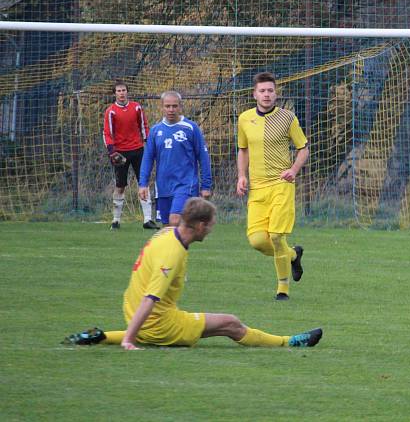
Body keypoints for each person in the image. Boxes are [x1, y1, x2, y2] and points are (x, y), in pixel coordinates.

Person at [63, 197, 323, 350]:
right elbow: (150, 299)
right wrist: (129, 340)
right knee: (231, 323)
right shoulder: (172, 253)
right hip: (159, 324)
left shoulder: (166, 233)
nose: (211, 230)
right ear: (200, 226)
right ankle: (290, 342)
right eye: (210, 225)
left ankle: (100, 336)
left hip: (131, 311)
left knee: (202, 324)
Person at [236, 72, 308, 300]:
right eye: (262, 91)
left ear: (276, 93)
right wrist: (241, 176)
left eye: (270, 90)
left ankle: (282, 289)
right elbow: (243, 149)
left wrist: (293, 170)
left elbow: (303, 148)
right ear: (254, 94)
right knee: (257, 241)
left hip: (281, 184)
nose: (266, 95)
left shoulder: (288, 118)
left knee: (276, 236)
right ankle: (293, 256)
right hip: (257, 189)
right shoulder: (245, 119)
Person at [138, 91, 213, 227]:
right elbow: (148, 158)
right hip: (163, 186)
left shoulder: (191, 128)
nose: (171, 110)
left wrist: (206, 185)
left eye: (174, 106)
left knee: (175, 220)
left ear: (180, 107)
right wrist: (143, 183)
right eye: (167, 106)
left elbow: (203, 157)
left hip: (185, 184)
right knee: (168, 227)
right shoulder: (155, 131)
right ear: (162, 107)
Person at [103, 80, 158, 230]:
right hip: (120, 152)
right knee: (120, 186)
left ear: (128, 92)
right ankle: (116, 220)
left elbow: (144, 126)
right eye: (119, 91)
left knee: (143, 183)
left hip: (138, 150)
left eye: (124, 90)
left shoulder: (136, 107)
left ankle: (147, 219)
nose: (121, 93)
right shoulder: (111, 111)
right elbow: (107, 133)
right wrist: (112, 151)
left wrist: (149, 144)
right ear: (114, 93)